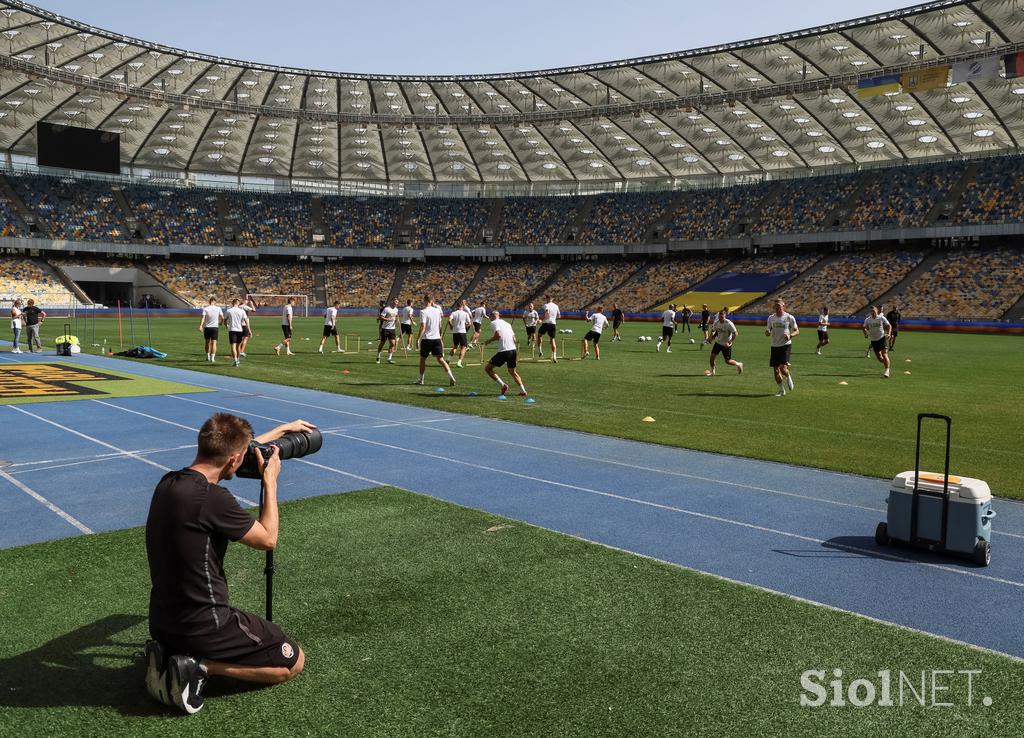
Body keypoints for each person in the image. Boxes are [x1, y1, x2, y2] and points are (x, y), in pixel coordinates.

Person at [144, 413, 315, 714]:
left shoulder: (167, 484)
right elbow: (268, 539)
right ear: (235, 460)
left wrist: (284, 429)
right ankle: (200, 666)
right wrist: (270, 481)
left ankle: (170, 653)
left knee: (187, 631)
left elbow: (236, 450)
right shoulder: (212, 499)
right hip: (206, 625)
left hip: (161, 621)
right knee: (292, 662)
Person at [483, 310, 527, 397]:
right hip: (513, 350)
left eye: (490, 316)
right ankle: (523, 391)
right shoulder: (507, 324)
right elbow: (514, 339)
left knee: (488, 369)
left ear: (493, 316)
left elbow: (498, 335)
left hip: (504, 351)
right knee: (512, 371)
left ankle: (503, 385)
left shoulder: (494, 323)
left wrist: (489, 341)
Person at [415, 295, 456, 386]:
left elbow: (423, 326)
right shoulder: (437, 311)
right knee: (441, 359)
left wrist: (418, 339)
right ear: (432, 300)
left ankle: (421, 380)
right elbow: (439, 324)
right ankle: (451, 377)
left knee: (422, 360)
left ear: (425, 301)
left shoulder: (423, 311)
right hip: (437, 338)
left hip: (427, 339)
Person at [765, 298, 799, 397]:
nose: (777, 307)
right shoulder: (771, 318)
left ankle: (788, 377)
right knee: (775, 370)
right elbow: (768, 330)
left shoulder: (789, 317)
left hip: (786, 344)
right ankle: (781, 390)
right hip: (774, 345)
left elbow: (797, 330)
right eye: (775, 306)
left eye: (779, 306)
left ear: (783, 306)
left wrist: (790, 335)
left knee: (783, 368)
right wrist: (767, 332)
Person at [708, 309, 743, 375]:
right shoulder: (716, 323)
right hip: (718, 343)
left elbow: (735, 333)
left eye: (722, 316)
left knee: (728, 361)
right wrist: (710, 338)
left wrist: (729, 342)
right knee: (712, 357)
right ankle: (712, 371)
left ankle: (739, 364)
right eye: (720, 316)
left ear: (725, 316)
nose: (721, 317)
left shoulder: (729, 323)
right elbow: (713, 331)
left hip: (726, 344)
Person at [863, 305, 892, 378]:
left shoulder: (881, 318)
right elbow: (864, 327)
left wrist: (888, 333)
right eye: (871, 311)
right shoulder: (868, 320)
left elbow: (889, 326)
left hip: (882, 338)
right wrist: (865, 333)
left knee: (884, 354)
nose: (872, 312)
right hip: (873, 340)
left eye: (874, 311)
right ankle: (886, 364)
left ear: (877, 311)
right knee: (879, 358)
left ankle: (887, 370)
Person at [224, 298, 249, 368]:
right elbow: (246, 320)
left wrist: (226, 326)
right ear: (238, 303)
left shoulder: (229, 311)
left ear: (232, 303)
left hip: (232, 330)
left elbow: (224, 320)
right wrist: (248, 329)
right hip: (240, 330)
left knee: (233, 346)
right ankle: (237, 360)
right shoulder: (242, 311)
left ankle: (235, 360)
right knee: (238, 347)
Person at [448, 299, 472, 368]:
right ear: (462, 307)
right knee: (463, 348)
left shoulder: (453, 313)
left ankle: (448, 359)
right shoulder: (465, 313)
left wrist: (451, 326)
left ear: (457, 306)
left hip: (455, 332)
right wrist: (466, 329)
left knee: (455, 346)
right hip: (462, 332)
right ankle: (459, 362)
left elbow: (449, 320)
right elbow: (469, 324)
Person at [199, 297, 224, 363]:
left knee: (207, 342)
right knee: (214, 343)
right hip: (215, 327)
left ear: (209, 302)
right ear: (215, 302)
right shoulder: (218, 308)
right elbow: (222, 317)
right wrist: (221, 322)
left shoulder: (205, 308)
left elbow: (203, 318)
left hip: (207, 327)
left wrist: (201, 326)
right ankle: (212, 358)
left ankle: (208, 356)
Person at [376, 298, 399, 364]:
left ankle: (389, 358)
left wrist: (397, 319)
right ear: (392, 301)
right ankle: (378, 356)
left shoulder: (396, 309)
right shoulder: (386, 309)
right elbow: (380, 317)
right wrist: (387, 319)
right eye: (395, 302)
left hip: (392, 329)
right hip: (385, 328)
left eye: (397, 302)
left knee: (392, 344)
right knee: (382, 344)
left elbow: (396, 316)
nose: (396, 303)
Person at [538, 295, 560, 363]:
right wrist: (553, 318)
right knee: (552, 340)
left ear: (547, 299)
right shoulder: (556, 306)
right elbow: (559, 316)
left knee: (539, 335)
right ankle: (554, 356)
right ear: (552, 299)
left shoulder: (546, 305)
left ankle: (540, 350)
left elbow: (547, 313)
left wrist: (541, 320)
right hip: (553, 324)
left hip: (546, 323)